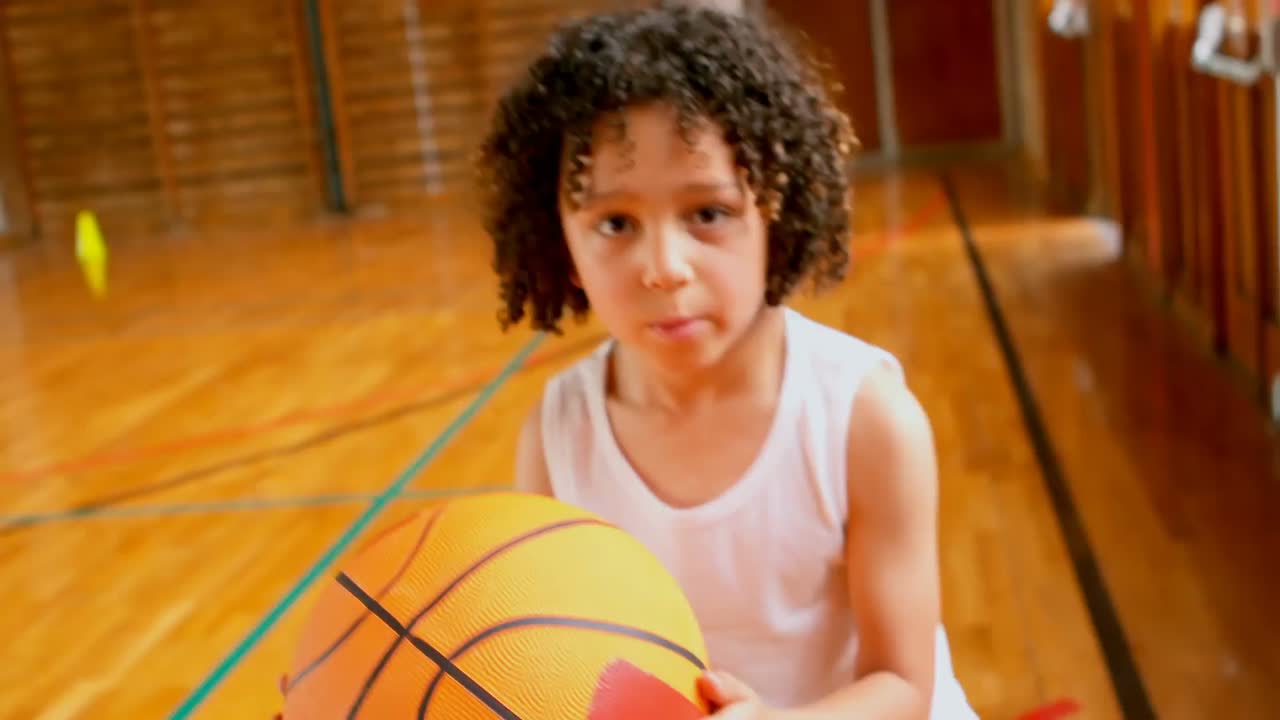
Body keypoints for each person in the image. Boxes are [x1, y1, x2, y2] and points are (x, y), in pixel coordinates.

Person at [476, 4, 978, 718]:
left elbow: (904, 685)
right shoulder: (558, 437)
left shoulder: (863, 417)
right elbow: (555, 661)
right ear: (562, 242)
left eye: (707, 213)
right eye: (615, 224)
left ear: (776, 211)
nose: (664, 268)